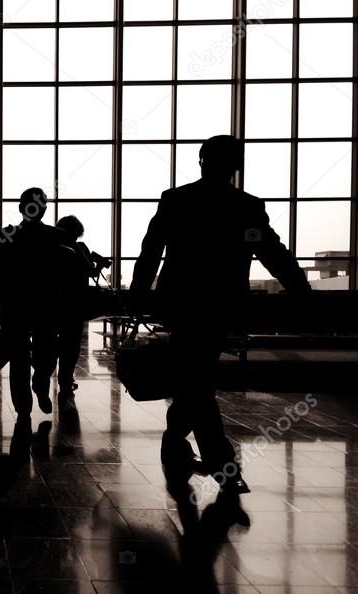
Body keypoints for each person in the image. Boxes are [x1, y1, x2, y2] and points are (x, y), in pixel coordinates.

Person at [130, 134, 310, 495]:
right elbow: (271, 252)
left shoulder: (176, 200)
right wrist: (300, 290)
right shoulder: (246, 207)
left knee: (194, 379)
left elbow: (151, 250)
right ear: (236, 167)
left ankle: (177, 440)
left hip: (180, 302)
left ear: (200, 160)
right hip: (220, 304)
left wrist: (139, 294)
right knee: (199, 378)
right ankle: (219, 463)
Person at [0, 187, 65, 419]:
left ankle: (24, 405)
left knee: (19, 357)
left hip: (15, 305)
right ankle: (38, 387)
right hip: (44, 304)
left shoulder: (7, 235)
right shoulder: (55, 236)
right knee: (45, 351)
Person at [55, 216, 98, 407]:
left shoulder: (52, 249)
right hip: (76, 303)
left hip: (55, 302)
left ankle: (48, 376)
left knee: (54, 342)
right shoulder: (81, 249)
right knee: (71, 345)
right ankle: (65, 380)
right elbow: (91, 272)